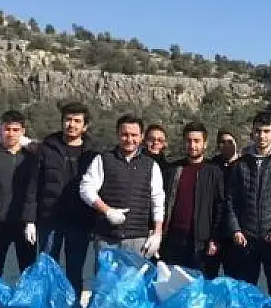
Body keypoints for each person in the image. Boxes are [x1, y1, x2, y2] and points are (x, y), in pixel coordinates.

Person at [24, 102, 100, 293]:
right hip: (50, 219)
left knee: (75, 270)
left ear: (85, 126)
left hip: (80, 221)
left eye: (77, 121)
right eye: (68, 120)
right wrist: (30, 220)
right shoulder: (46, 149)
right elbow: (33, 186)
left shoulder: (94, 154)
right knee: (47, 268)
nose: (71, 125)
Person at [224, 110, 271, 295]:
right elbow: (230, 200)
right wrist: (235, 229)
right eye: (258, 131)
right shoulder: (240, 164)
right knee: (244, 294)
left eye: (266, 131)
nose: (262, 136)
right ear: (252, 132)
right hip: (245, 239)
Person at [79, 114, 165, 257]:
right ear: (118, 135)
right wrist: (107, 210)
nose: (129, 139)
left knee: (134, 280)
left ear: (141, 136)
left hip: (138, 240)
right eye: (124, 135)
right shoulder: (103, 160)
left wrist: (157, 233)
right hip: (107, 238)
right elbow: (86, 188)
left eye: (134, 135)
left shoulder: (151, 166)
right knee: (105, 279)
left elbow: (158, 200)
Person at [0, 110, 38, 277]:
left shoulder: (32, 158)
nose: (11, 134)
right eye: (7, 129)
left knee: (28, 270)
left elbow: (34, 192)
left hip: (24, 224)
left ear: (23, 132)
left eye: (15, 130)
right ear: (1, 130)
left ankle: (27, 303)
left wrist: (31, 220)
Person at [160, 121, 225, 272]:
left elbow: (220, 207)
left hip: (201, 243)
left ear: (205, 143)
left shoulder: (214, 172)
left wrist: (215, 239)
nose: (192, 145)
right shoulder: (173, 170)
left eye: (197, 141)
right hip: (173, 240)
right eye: (188, 141)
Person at [205, 128, 240, 277]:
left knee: (234, 282)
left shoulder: (244, 167)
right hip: (213, 234)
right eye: (222, 142)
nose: (226, 145)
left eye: (230, 142)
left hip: (235, 235)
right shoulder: (211, 167)